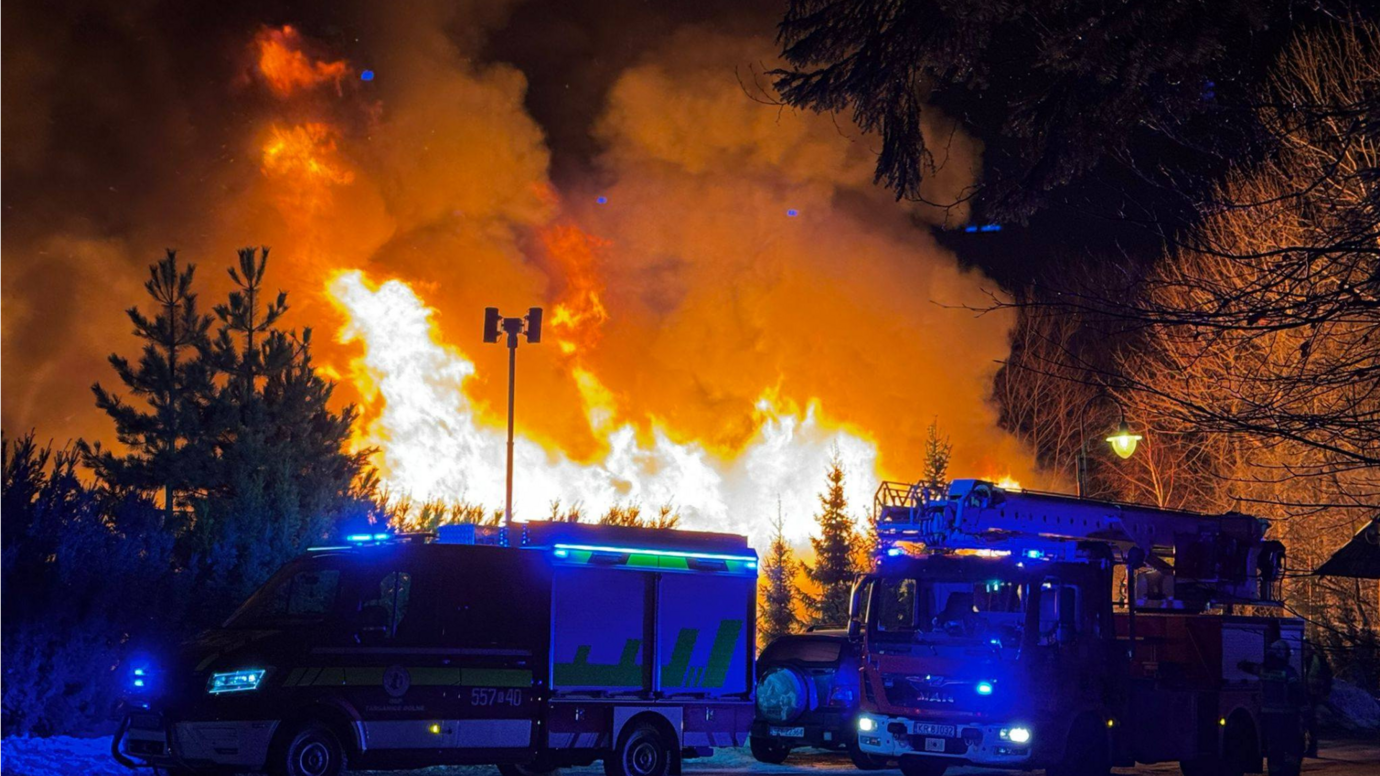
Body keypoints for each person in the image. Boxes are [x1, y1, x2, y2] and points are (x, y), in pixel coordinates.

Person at [1239, 639, 1306, 776]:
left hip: (1268, 718)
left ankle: (1275, 773)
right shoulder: (1289, 672)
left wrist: (1242, 662)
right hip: (1288, 718)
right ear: (1282, 654)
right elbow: (1298, 694)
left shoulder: (1264, 670)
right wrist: (1306, 715)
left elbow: (1248, 667)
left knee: (1274, 749)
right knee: (1293, 750)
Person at [1302, 640, 1333, 758]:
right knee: (1304, 722)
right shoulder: (1302, 660)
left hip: (1313, 696)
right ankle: (1305, 747)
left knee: (1311, 722)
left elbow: (1327, 677)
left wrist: (1325, 692)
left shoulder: (1318, 660)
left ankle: (1312, 748)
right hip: (1302, 695)